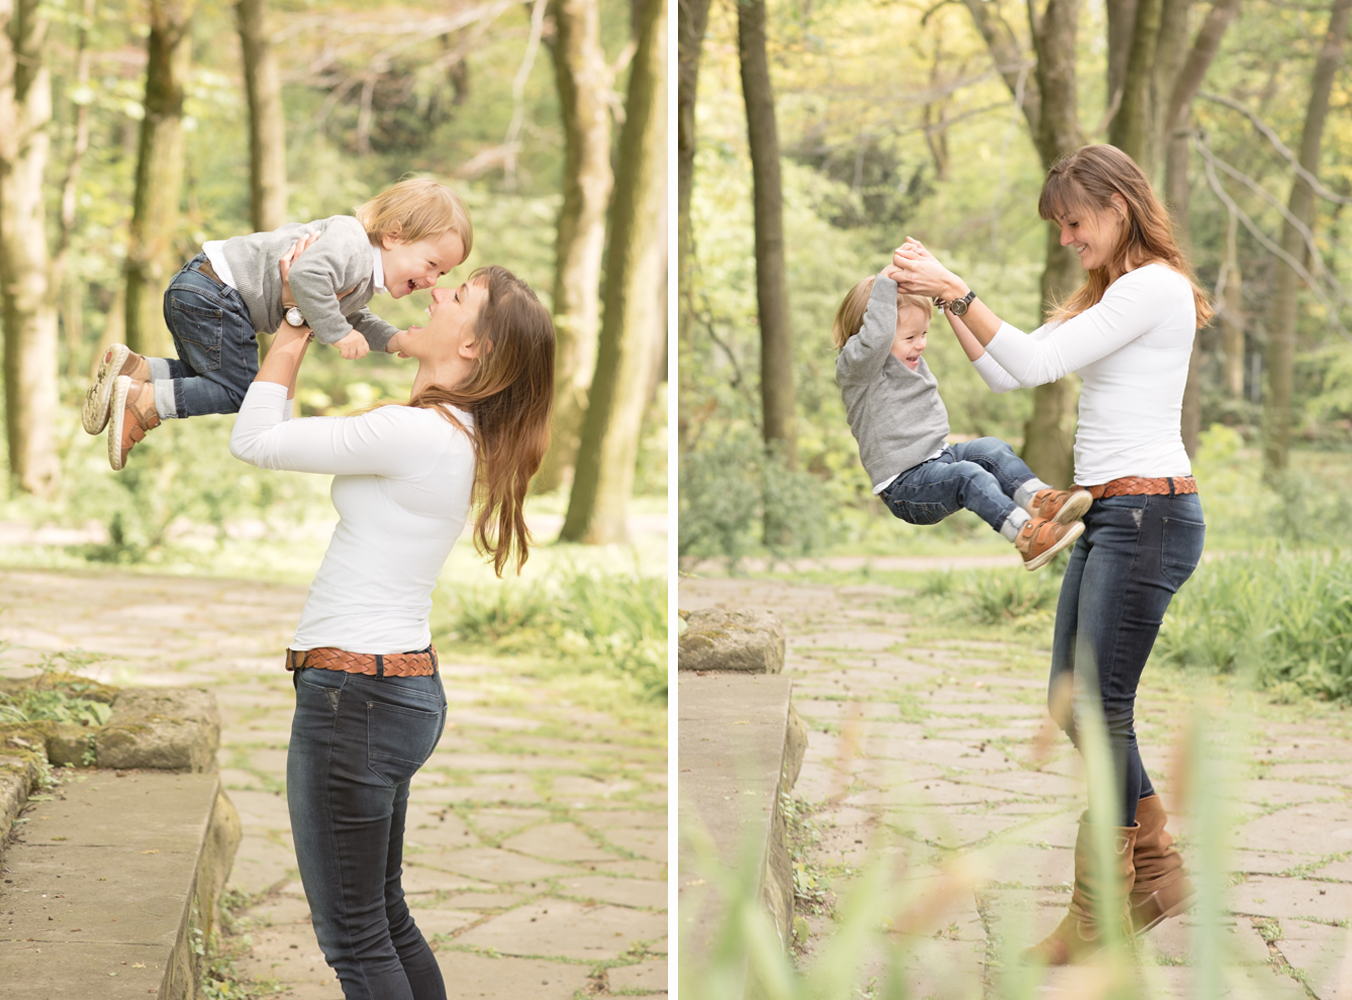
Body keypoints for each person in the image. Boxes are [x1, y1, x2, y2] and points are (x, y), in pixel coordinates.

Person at [891, 143, 1211, 965]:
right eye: (1062, 227)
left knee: (1099, 708)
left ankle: (1102, 910)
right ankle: (1158, 869)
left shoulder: (1154, 288)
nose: (1066, 238)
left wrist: (954, 288)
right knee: (1073, 703)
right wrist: (946, 300)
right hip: (1115, 514)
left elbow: (1031, 361)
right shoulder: (1117, 293)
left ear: (1116, 204)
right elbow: (1008, 374)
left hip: (1149, 515)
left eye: (1074, 222)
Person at [229, 257, 555, 1000]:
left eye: (459, 293)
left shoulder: (414, 434)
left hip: (356, 697)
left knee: (355, 939)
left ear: (473, 348)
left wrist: (294, 321)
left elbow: (256, 440)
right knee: (384, 922)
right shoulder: (453, 435)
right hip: (393, 690)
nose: (437, 290)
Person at [82, 176, 473, 471]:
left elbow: (349, 313)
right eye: (431, 265)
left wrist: (394, 340)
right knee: (240, 392)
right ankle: (146, 402)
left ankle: (140, 371)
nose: (433, 281)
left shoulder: (362, 274)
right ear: (393, 236)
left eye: (443, 273)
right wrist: (338, 333)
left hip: (203, 290)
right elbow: (305, 279)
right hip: (218, 294)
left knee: (214, 378)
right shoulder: (352, 245)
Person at [833, 265, 1089, 571]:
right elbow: (876, 337)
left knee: (991, 448)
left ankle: (1040, 500)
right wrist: (886, 282)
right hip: (905, 486)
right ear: (873, 331)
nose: (921, 343)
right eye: (911, 336)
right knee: (969, 474)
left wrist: (945, 296)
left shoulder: (904, 357)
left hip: (938, 459)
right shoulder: (859, 367)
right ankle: (1027, 537)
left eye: (924, 333)